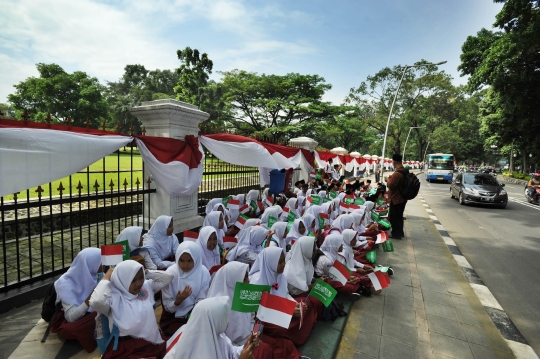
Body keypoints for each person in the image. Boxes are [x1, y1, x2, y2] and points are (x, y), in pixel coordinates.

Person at [89, 260, 173, 359]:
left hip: (150, 340)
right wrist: (106, 277)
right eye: (133, 280)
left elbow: (168, 278)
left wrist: (146, 272)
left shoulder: (146, 287)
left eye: (141, 278)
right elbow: (95, 302)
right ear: (122, 280)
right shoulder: (112, 297)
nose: (139, 283)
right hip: (126, 347)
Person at [206, 262, 275, 359]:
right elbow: (220, 342)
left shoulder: (243, 296)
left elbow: (251, 318)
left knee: (265, 349)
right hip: (227, 350)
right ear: (233, 279)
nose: (248, 281)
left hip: (244, 343)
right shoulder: (218, 307)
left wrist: (251, 336)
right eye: (244, 278)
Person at [249, 247, 314, 349]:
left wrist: (293, 304)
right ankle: (295, 334)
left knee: (307, 304)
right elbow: (259, 312)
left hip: (282, 310)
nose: (283, 264)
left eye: (283, 261)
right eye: (279, 262)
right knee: (281, 329)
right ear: (270, 262)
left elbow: (285, 294)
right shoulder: (256, 282)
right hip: (266, 318)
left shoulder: (280, 276)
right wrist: (288, 311)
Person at [164, 296, 262, 359]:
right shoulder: (196, 351)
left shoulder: (217, 335)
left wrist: (245, 347)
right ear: (215, 320)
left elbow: (230, 353)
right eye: (225, 318)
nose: (228, 321)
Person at [50, 248, 102, 352]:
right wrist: (92, 296)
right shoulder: (64, 283)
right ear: (90, 264)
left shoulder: (97, 275)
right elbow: (71, 317)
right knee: (70, 330)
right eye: (101, 261)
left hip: (91, 313)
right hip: (75, 316)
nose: (104, 264)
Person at [160, 241, 210, 339]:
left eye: (189, 261)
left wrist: (192, 317)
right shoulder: (170, 274)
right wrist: (178, 301)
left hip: (195, 314)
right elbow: (167, 307)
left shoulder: (203, 273)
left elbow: (201, 300)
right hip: (173, 317)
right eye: (181, 260)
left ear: (196, 259)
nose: (185, 265)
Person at [386, 154, 408, 239]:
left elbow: (391, 185)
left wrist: (388, 180)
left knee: (395, 217)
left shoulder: (397, 173)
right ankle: (399, 233)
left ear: (394, 162)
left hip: (396, 198)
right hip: (402, 197)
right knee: (399, 216)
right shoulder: (405, 171)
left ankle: (396, 234)